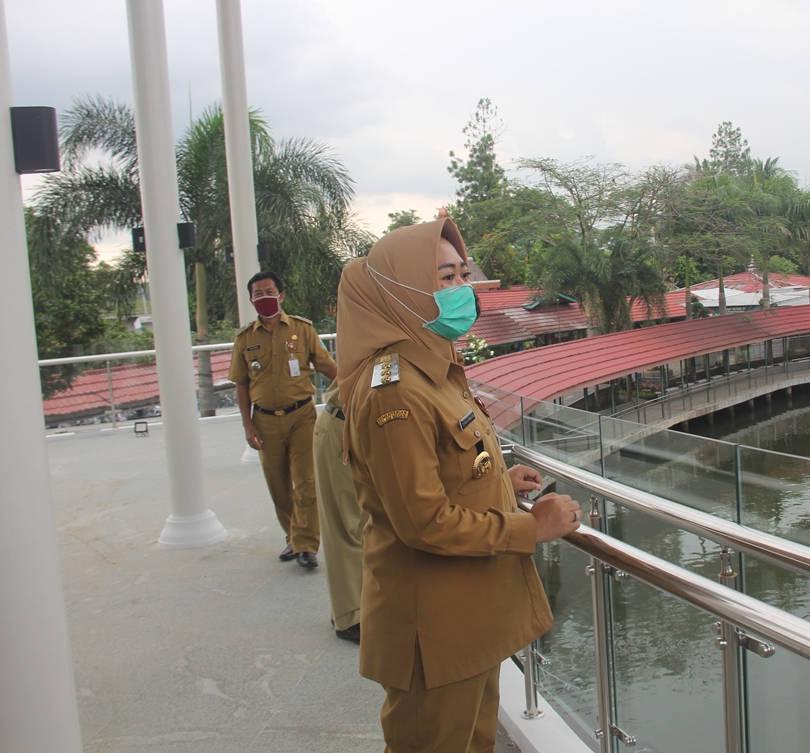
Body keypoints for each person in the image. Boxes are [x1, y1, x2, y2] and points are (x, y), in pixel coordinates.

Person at [336, 216, 582, 752]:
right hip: (433, 630)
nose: (461, 291)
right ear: (401, 292)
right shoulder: (393, 391)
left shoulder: (435, 367)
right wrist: (531, 528)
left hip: (468, 620)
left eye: (462, 276)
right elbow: (422, 520)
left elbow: (445, 470)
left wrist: (498, 481)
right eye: (444, 278)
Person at [229, 271, 337, 569]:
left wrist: (354, 389)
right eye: (258, 294)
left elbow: (328, 367)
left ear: (282, 295)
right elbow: (241, 384)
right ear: (251, 300)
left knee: (306, 481)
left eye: (269, 291)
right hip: (264, 421)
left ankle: (305, 544)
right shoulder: (244, 338)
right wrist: (247, 425)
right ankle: (292, 536)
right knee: (277, 484)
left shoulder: (302, 330)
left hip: (301, 416)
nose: (265, 298)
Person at [312, 378, 365, 643]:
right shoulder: (373, 337)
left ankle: (358, 606)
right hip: (342, 428)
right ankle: (348, 617)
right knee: (345, 527)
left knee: (363, 525)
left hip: (359, 430)